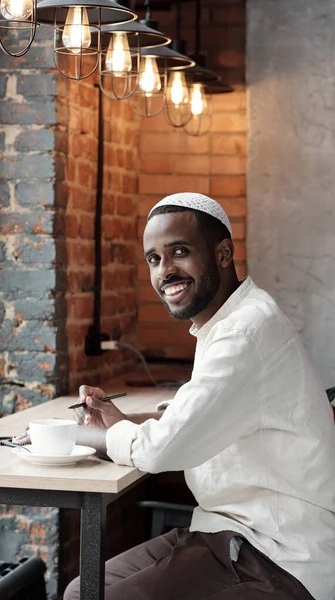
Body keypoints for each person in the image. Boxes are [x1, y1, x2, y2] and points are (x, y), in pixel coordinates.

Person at [18, 193, 335, 600]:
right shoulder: (232, 320)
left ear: (223, 254)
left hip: (279, 555)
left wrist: (78, 435)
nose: (165, 271)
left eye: (179, 252)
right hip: (229, 532)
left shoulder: (245, 330)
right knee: (85, 588)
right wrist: (117, 423)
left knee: (89, 596)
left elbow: (162, 451)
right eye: (153, 259)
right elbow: (202, 414)